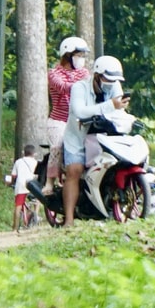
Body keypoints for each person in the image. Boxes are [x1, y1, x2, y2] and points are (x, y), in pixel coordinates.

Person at [47, 38, 93, 227]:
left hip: (78, 121)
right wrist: (82, 82)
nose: (81, 59)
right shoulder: (54, 73)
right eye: (78, 55)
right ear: (67, 55)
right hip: (59, 121)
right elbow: (65, 88)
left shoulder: (84, 72)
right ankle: (49, 181)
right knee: (57, 146)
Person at [5, 145, 41, 231]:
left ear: (23, 153)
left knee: (18, 206)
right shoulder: (36, 163)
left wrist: (11, 182)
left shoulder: (18, 162)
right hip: (32, 185)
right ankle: (36, 215)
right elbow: (37, 176)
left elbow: (13, 176)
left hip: (21, 185)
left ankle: (15, 227)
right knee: (37, 200)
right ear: (34, 154)